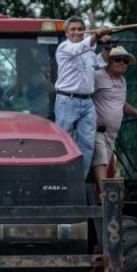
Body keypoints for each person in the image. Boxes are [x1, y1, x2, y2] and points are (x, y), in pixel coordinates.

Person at [54, 17, 111, 178]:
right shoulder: (64, 47)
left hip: (87, 102)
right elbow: (79, 48)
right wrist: (97, 36)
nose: (77, 32)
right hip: (67, 100)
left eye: (80, 29)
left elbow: (101, 62)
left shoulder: (89, 52)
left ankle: (79, 181)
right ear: (66, 33)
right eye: (73, 29)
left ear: (85, 31)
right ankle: (59, 180)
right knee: (62, 143)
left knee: (87, 145)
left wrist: (107, 46)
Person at [90, 46, 137, 190]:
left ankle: (97, 196)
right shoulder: (97, 76)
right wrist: (92, 117)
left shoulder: (122, 81)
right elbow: (85, 97)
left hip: (112, 134)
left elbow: (121, 104)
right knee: (100, 159)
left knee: (104, 161)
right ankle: (105, 194)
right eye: (118, 59)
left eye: (125, 61)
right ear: (109, 62)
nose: (122, 63)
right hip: (97, 129)